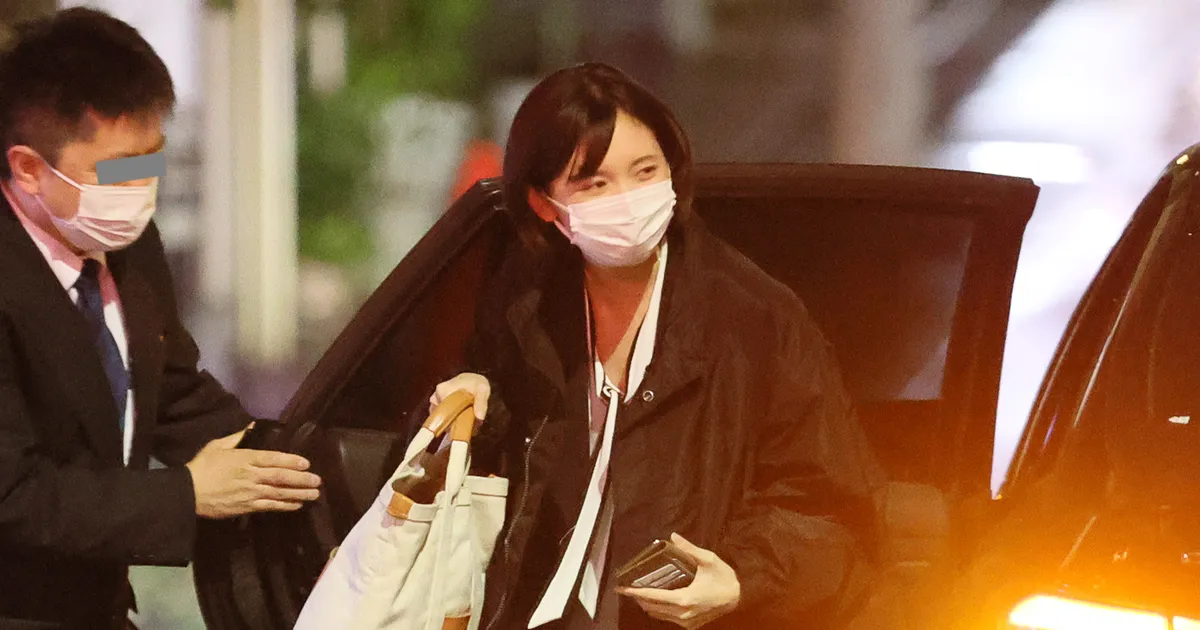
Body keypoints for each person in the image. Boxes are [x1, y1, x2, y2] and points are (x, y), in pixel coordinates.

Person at [428, 63, 884, 630]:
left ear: (673, 169)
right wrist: (474, 398)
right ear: (545, 203)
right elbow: (501, 455)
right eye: (595, 184)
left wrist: (741, 578)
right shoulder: (526, 305)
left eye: (645, 171)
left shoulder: (755, 319)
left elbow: (830, 509)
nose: (627, 199)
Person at [0, 9, 322, 629]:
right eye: (118, 168)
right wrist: (190, 494)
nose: (140, 189)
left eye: (152, 160)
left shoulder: (126, 243)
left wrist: (282, 457)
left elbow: (170, 390)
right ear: (29, 168)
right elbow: (13, 492)